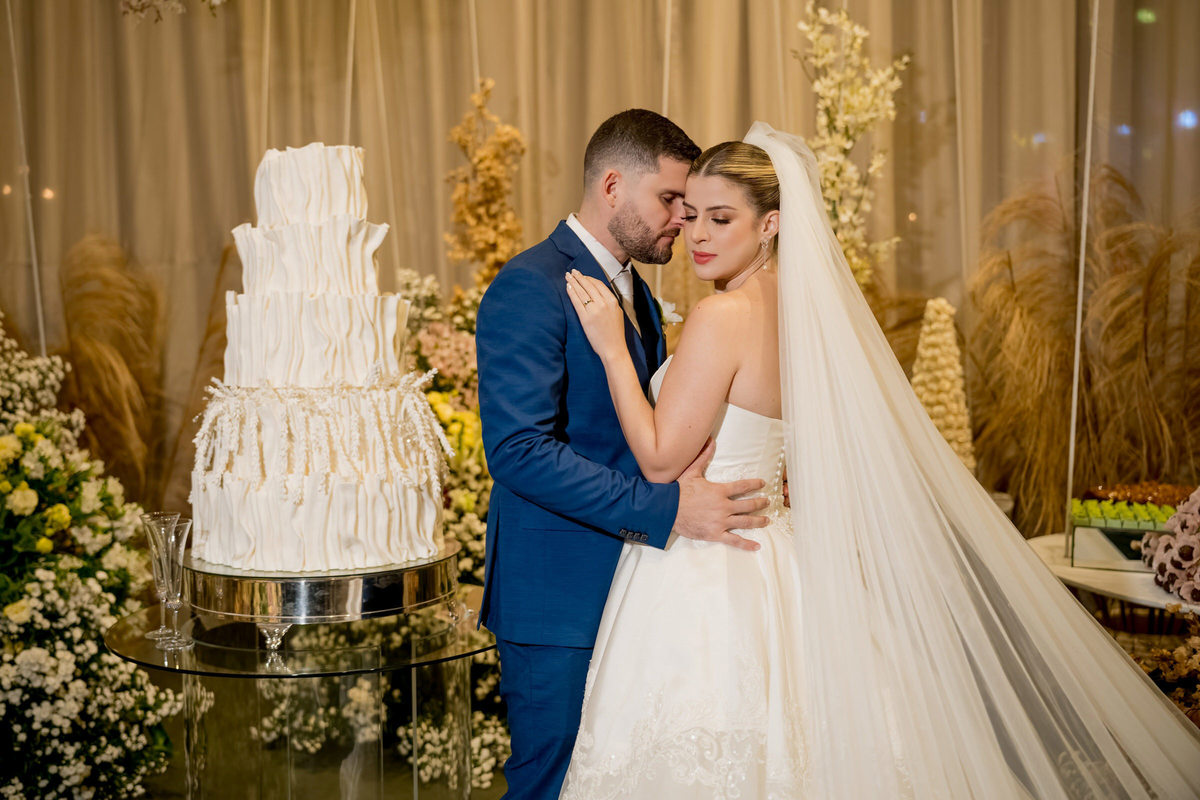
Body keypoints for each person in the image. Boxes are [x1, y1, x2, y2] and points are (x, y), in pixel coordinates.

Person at [559, 123, 1200, 798]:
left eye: (721, 219)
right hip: (781, 552)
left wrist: (612, 348)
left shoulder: (724, 316)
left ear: (770, 223)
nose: (698, 235)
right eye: (690, 216)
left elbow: (661, 463)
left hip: (710, 561)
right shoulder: (797, 312)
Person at [475, 108, 771, 800]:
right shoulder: (531, 286)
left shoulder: (638, 294)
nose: (683, 222)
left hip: (638, 586)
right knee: (550, 782)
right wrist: (667, 506)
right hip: (558, 595)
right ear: (613, 186)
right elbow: (519, 451)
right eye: (671, 200)